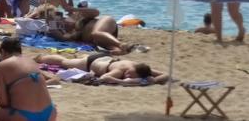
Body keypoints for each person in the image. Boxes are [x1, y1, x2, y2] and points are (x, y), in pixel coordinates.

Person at [0, 40, 57, 121]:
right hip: (50, 114)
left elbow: (3, 103)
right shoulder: (31, 62)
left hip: (24, 117)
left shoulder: (2, 65)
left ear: (3, 51)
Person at [34, 52, 168, 85]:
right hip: (92, 62)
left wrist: (153, 80)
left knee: (69, 61)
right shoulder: (121, 70)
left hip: (105, 59)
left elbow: (167, 75)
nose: (128, 75)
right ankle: (41, 58)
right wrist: (125, 82)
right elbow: (104, 78)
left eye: (131, 75)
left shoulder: (140, 68)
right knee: (65, 62)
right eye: (129, 74)